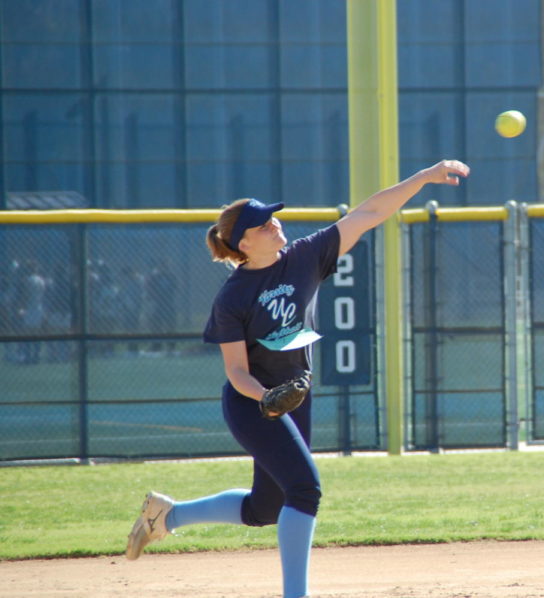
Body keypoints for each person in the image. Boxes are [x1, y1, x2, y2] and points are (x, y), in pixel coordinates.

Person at [125, 159, 470, 598]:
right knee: (305, 490)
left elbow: (369, 213)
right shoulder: (232, 297)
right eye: (262, 224)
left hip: (294, 397)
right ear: (244, 243)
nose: (274, 224)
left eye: (273, 217)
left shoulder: (306, 256)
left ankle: (166, 517)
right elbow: (235, 372)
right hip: (253, 404)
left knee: (266, 507)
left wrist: (424, 177)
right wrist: (266, 396)